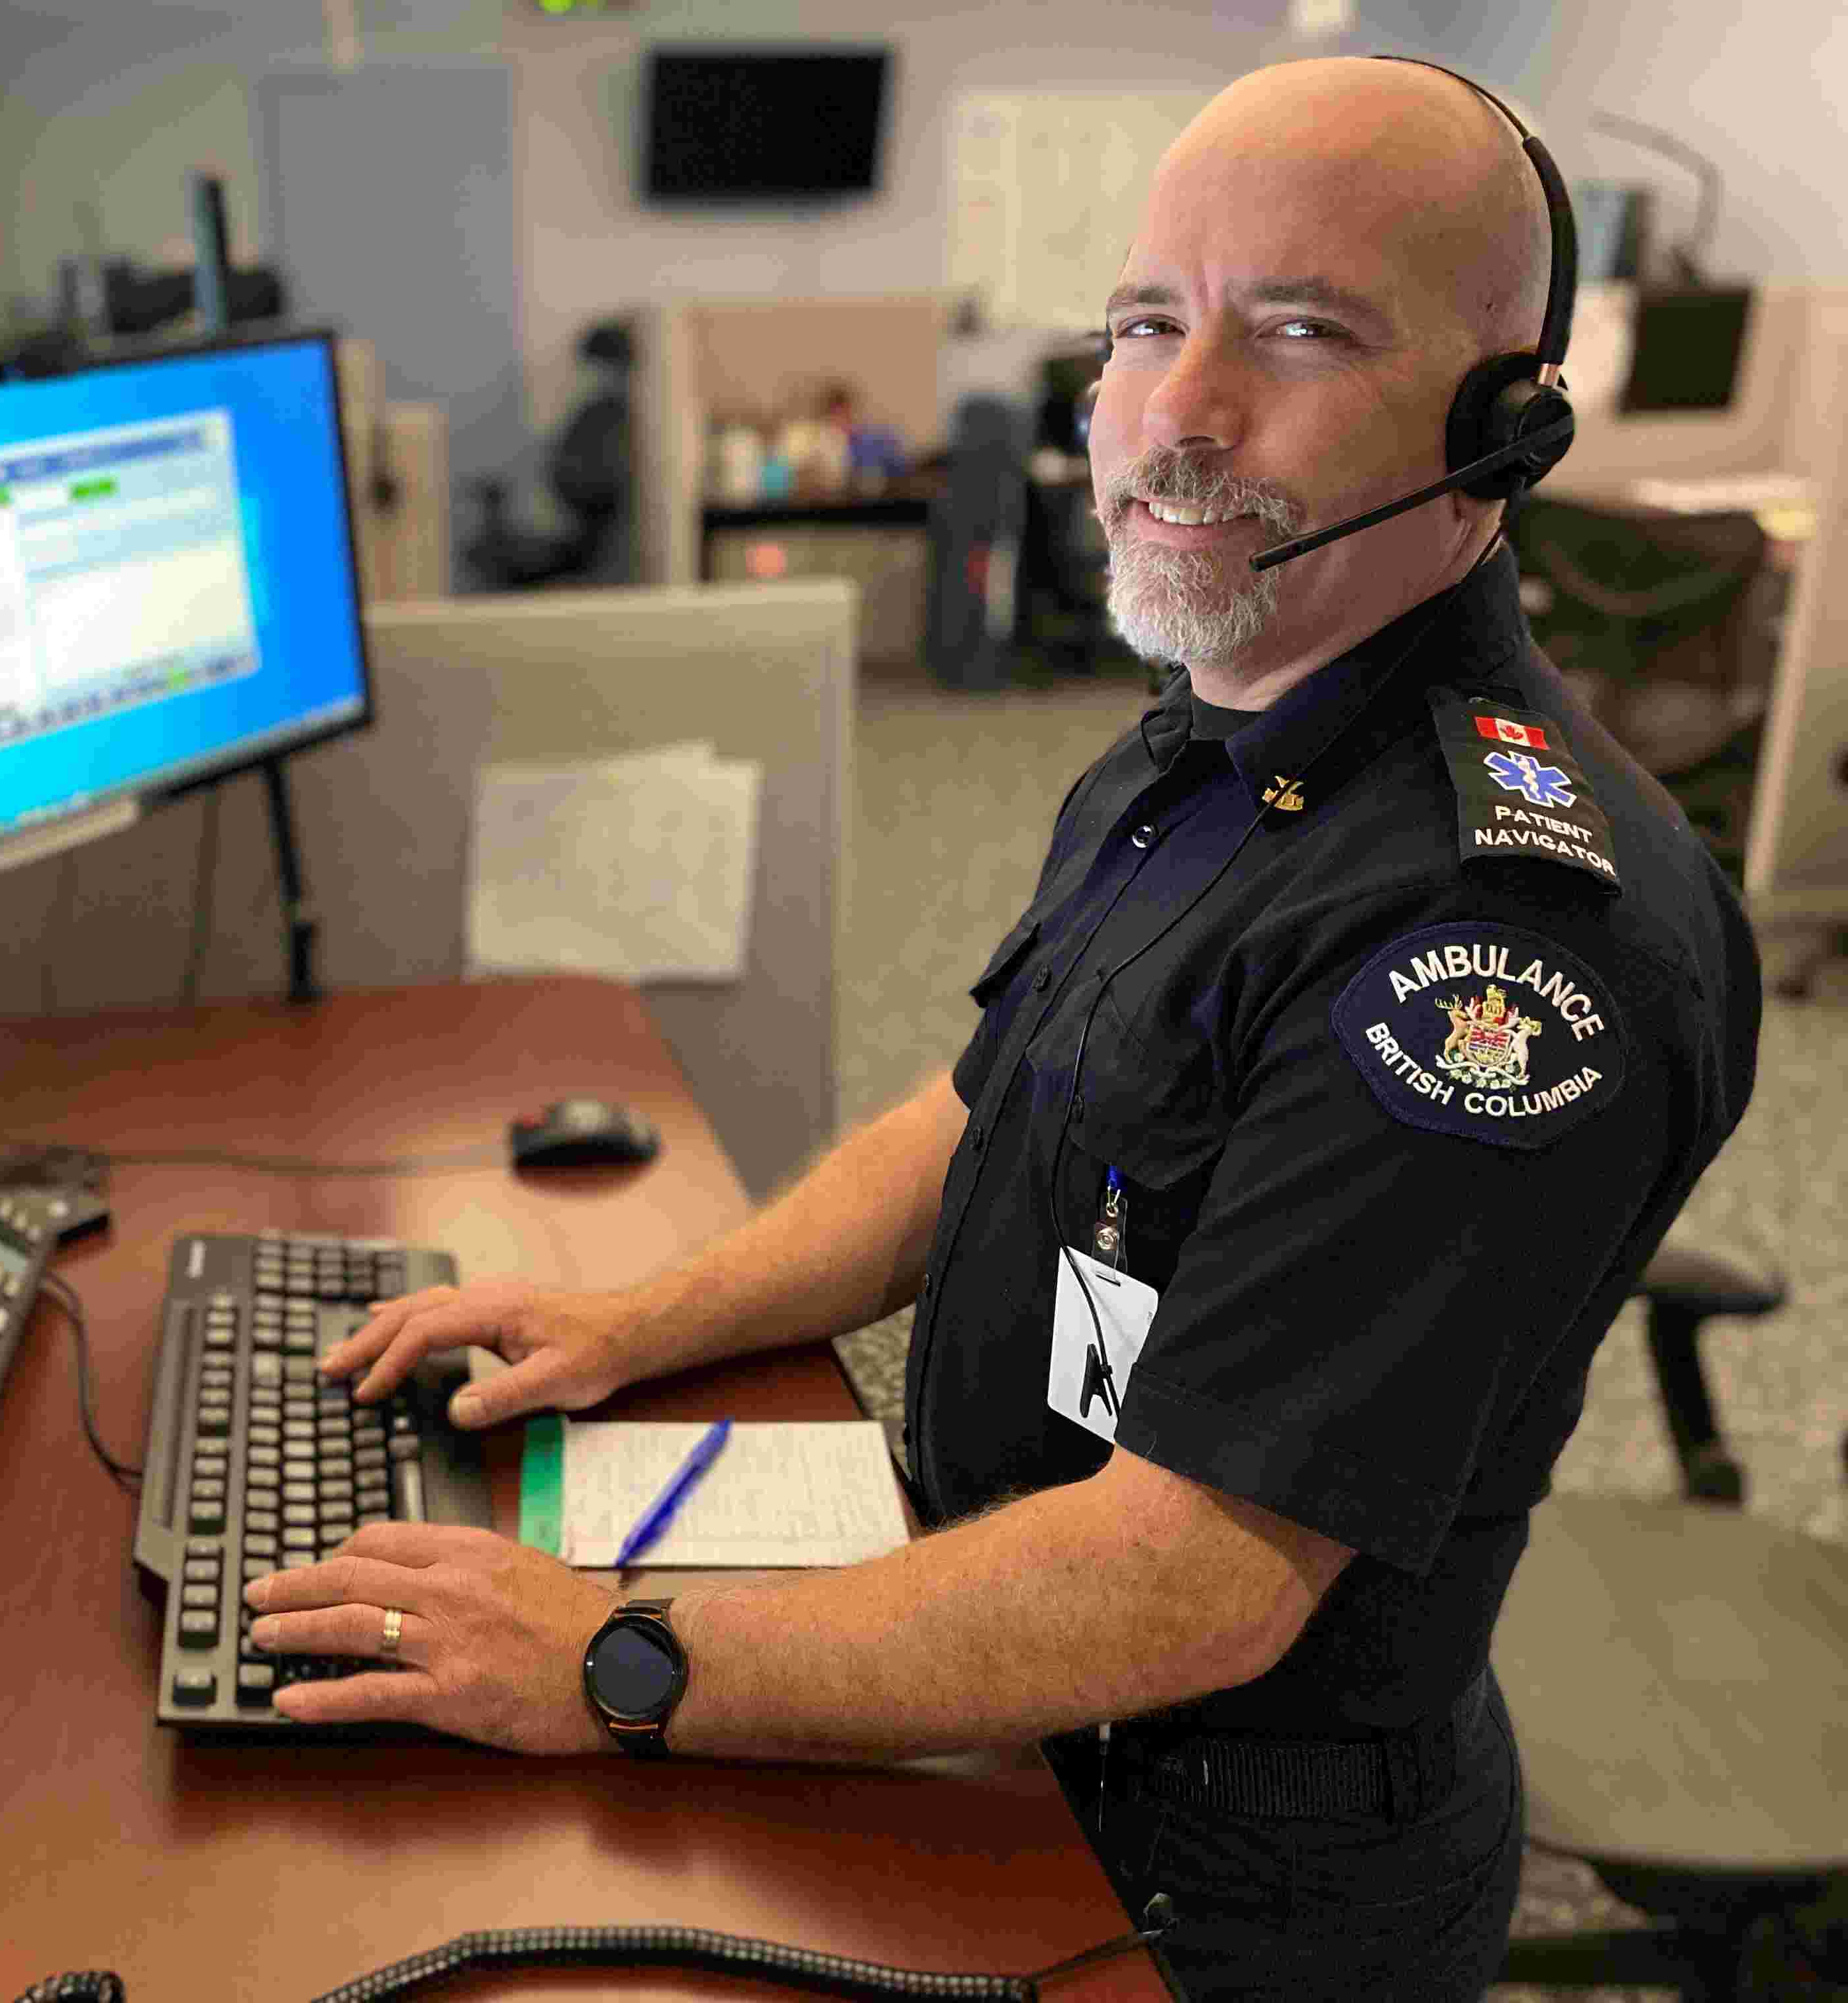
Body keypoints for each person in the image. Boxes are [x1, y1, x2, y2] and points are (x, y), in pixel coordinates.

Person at [240, 54, 1761, 2000]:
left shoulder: (1492, 944)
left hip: (1202, 1869)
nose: (1172, 415)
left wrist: (615, 1656)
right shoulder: (1221, 729)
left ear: (1499, 428)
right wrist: (630, 1324)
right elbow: (988, 1117)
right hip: (1003, 1680)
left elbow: (1192, 1579)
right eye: (1145, 323)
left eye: (1298, 333)